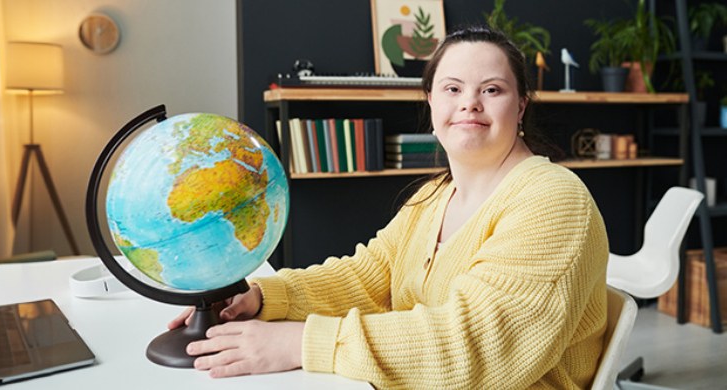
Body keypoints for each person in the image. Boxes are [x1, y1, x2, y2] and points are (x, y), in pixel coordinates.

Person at [168, 25, 609, 389]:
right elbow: (366, 278)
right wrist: (264, 297)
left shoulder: (553, 200)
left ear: (521, 106)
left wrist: (302, 343)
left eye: (492, 89)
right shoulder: (434, 194)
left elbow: (479, 349)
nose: (469, 103)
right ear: (432, 103)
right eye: (452, 88)